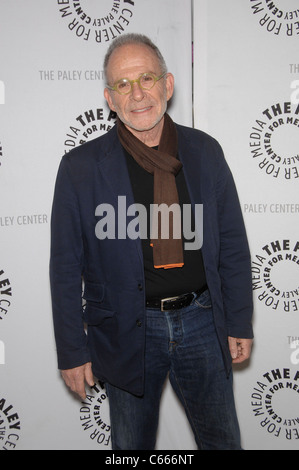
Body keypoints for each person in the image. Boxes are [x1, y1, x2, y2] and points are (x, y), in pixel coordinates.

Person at [50, 33, 253, 450]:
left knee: (223, 442)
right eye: (123, 84)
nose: (137, 93)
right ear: (109, 97)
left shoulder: (206, 152)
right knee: (131, 447)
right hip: (126, 329)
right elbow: (65, 267)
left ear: (168, 85)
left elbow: (232, 241)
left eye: (147, 77)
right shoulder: (80, 168)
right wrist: (72, 351)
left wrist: (237, 320)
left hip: (202, 320)